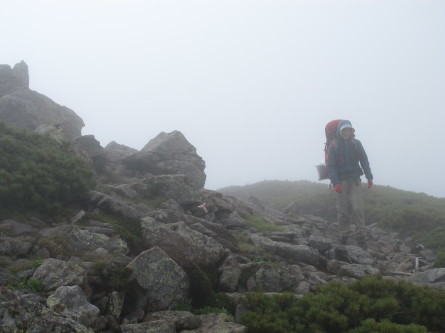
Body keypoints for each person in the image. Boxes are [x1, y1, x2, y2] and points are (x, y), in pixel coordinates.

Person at [327, 120, 373, 248]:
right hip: (341, 181)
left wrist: (369, 177)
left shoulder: (356, 144)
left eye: (348, 130)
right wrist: (335, 183)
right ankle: (343, 235)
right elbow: (331, 167)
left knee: (357, 208)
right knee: (343, 210)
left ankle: (361, 236)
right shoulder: (334, 146)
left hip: (355, 179)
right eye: (344, 130)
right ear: (340, 131)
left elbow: (364, 160)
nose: (346, 132)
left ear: (352, 131)